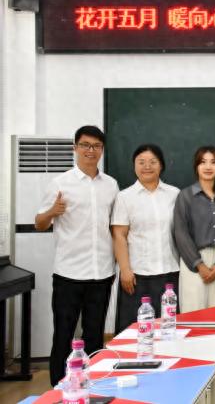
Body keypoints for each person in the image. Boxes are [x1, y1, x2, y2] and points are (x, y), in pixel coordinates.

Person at [35, 125, 119, 386]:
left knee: (95, 336)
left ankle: (91, 386)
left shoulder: (111, 185)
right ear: (75, 148)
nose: (90, 150)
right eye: (85, 145)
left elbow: (114, 226)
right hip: (68, 273)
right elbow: (39, 223)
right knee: (64, 334)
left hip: (101, 272)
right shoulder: (60, 183)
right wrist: (52, 212)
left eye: (96, 146)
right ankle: (59, 389)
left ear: (102, 150)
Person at [112, 144, 180, 333]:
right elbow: (119, 235)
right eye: (141, 162)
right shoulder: (124, 197)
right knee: (134, 332)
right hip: (136, 276)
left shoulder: (174, 194)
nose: (147, 166)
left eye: (152, 162)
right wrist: (125, 270)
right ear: (134, 166)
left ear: (161, 165)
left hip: (169, 272)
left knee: (167, 331)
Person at [174, 146, 215, 313]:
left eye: (213, 162)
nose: (208, 167)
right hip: (193, 261)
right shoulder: (185, 196)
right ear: (196, 167)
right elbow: (181, 233)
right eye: (203, 162)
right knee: (193, 313)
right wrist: (199, 264)